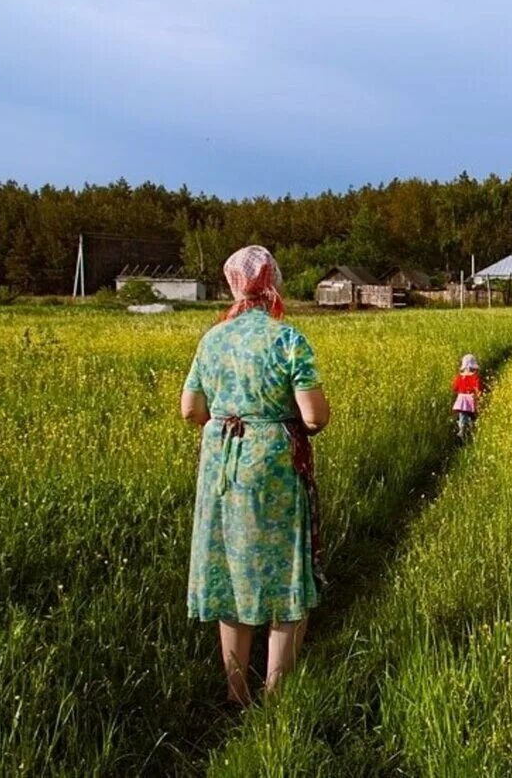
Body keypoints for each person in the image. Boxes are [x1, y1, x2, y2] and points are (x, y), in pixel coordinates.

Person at [179, 245, 330, 705]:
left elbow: (190, 410)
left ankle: (235, 692)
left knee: (232, 569)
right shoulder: (288, 340)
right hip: (273, 466)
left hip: (221, 460)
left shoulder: (212, 339)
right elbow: (314, 417)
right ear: (273, 282)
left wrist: (228, 426)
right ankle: (277, 697)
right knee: (284, 571)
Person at [452, 354, 481, 438]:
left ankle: (461, 430)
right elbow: (478, 389)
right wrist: (478, 396)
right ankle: (472, 431)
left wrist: (459, 392)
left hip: (461, 399)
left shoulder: (460, 377)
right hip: (470, 398)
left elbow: (455, 388)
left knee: (462, 415)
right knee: (471, 415)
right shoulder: (475, 377)